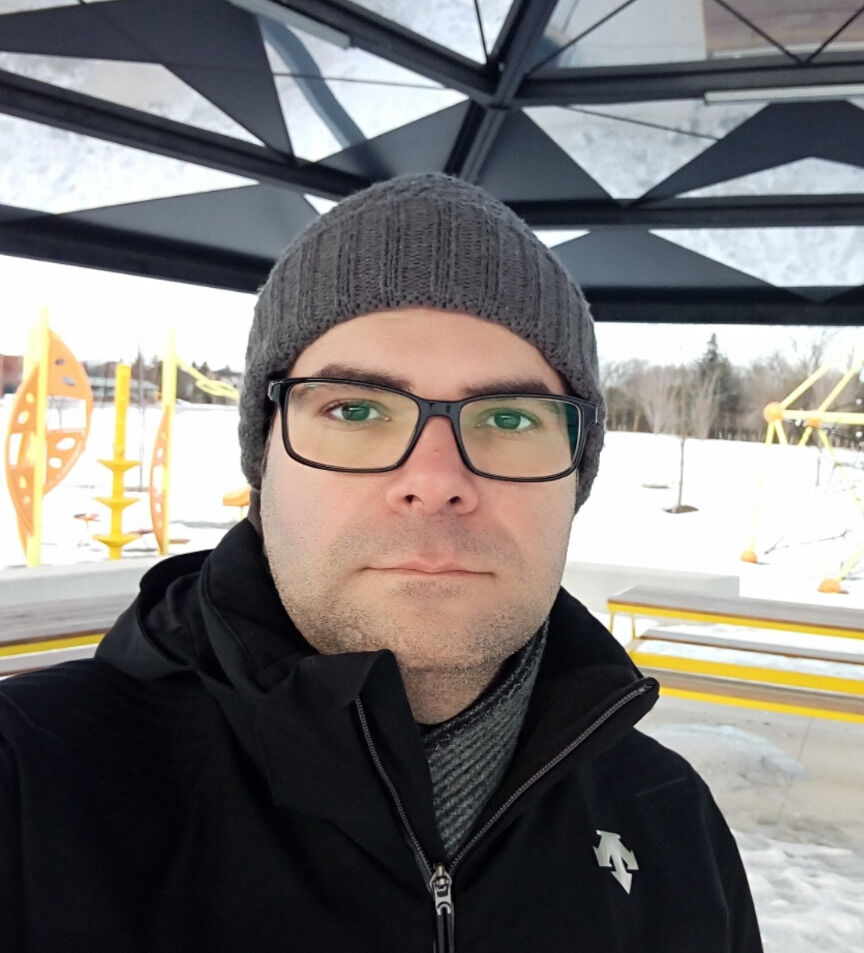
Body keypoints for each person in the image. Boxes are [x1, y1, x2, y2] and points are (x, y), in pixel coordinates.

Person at [0, 174, 762, 953]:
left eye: (508, 418)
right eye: (355, 409)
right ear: (264, 462)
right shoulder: (30, 792)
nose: (434, 480)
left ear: (576, 477)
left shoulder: (673, 827)